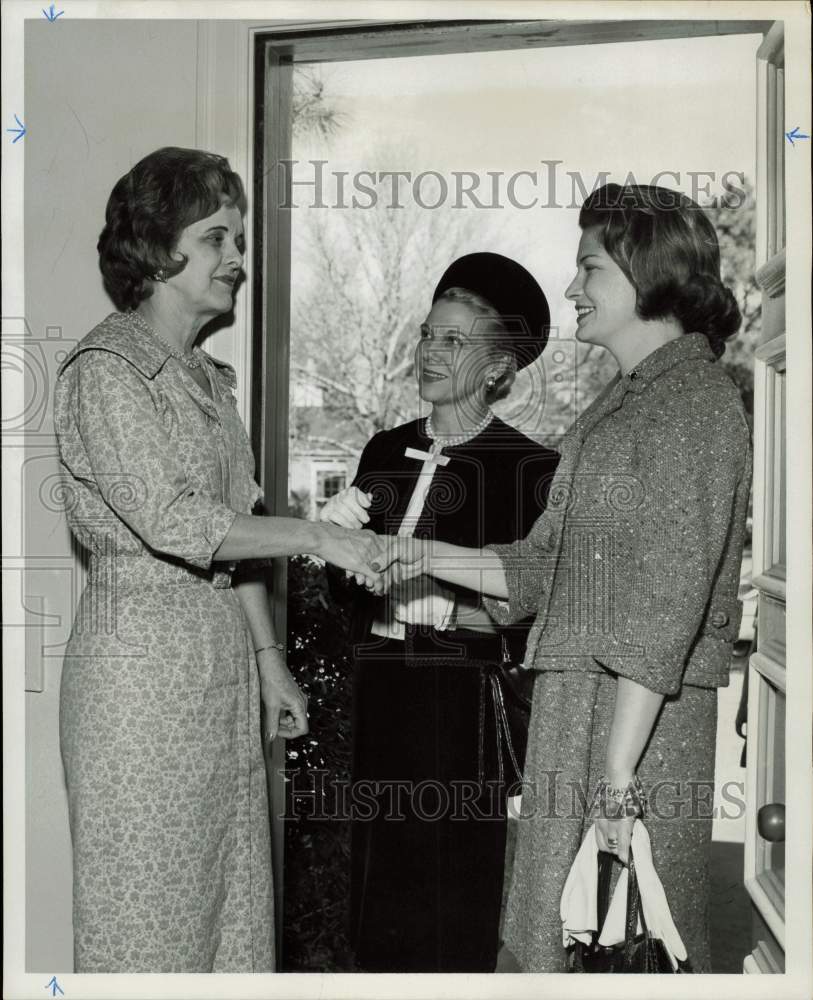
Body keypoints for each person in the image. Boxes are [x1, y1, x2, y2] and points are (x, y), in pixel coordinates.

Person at [383, 185, 752, 972]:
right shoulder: (618, 406)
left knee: (627, 945)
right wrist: (414, 554)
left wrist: (617, 782)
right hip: (577, 717)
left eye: (588, 267)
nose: (571, 288)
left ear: (646, 272)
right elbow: (543, 565)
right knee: (564, 941)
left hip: (632, 736)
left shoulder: (694, 404)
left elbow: (661, 609)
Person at [53, 147, 389, 973]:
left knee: (230, 912)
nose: (237, 259)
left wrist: (269, 661)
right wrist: (317, 535)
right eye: (216, 238)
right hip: (138, 687)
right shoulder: (108, 368)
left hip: (220, 679)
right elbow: (176, 521)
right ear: (158, 249)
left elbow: (232, 529)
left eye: (238, 238)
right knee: (149, 924)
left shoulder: (207, 379)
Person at [319, 253, 560, 972]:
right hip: (379, 693)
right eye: (428, 334)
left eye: (453, 341)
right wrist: (332, 548)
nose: (428, 351)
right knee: (374, 891)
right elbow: (343, 602)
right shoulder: (384, 450)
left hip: (461, 712)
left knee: (453, 898)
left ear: (496, 369)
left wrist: (450, 606)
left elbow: (532, 614)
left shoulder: (530, 468)